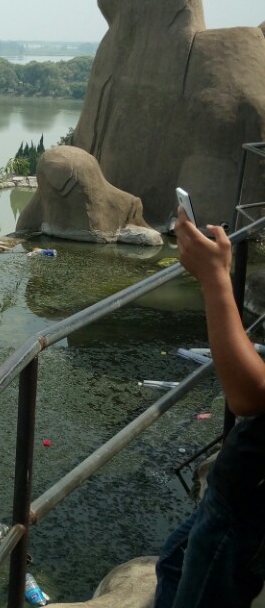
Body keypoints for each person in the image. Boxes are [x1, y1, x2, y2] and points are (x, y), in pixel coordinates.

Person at [154, 210, 265, 606]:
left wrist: (215, 276)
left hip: (248, 502)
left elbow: (251, 395)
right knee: (172, 561)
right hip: (239, 482)